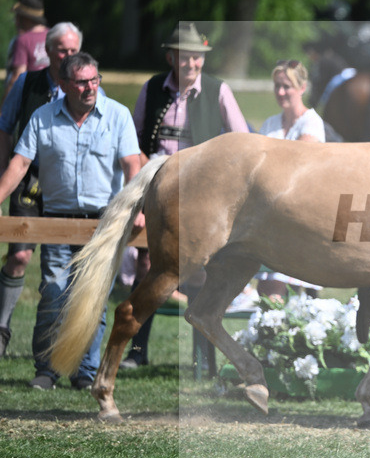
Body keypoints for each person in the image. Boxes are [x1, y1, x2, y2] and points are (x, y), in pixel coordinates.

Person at [0, 52, 142, 389]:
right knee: (54, 293)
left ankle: (86, 373)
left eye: (95, 80)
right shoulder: (42, 117)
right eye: (81, 82)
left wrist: (138, 209)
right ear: (64, 85)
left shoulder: (118, 116)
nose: (90, 87)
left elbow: (132, 167)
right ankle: (46, 371)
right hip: (56, 221)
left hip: (104, 223)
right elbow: (19, 164)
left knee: (93, 299)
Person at [123, 22, 249, 369]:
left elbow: (243, 140)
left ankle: (201, 358)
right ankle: (136, 351)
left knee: (200, 271)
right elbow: (133, 143)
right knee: (147, 264)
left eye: (197, 58)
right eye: (184, 58)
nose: (191, 64)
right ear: (170, 58)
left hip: (203, 197)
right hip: (156, 191)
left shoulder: (218, 91)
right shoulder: (151, 89)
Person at [0, 22, 83, 357]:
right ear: (47, 51)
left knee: (61, 268)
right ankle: (2, 327)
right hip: (28, 180)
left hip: (68, 187)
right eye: (62, 50)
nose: (67, 56)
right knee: (19, 255)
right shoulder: (27, 82)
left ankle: (54, 347)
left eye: (73, 50)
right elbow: (5, 129)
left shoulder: (88, 87)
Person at [254, 60, 326, 299]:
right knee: (266, 291)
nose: (281, 92)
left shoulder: (312, 123)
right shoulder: (270, 124)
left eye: (287, 86)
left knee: (286, 292)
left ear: (302, 87)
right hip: (269, 217)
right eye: (277, 86)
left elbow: (296, 166)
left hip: (301, 219)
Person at [3, 0, 49, 105]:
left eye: (18, 15)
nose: (16, 20)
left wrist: (3, 107)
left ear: (26, 18)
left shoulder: (23, 40)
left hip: (29, 101)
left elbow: (17, 77)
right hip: (54, 100)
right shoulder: (55, 35)